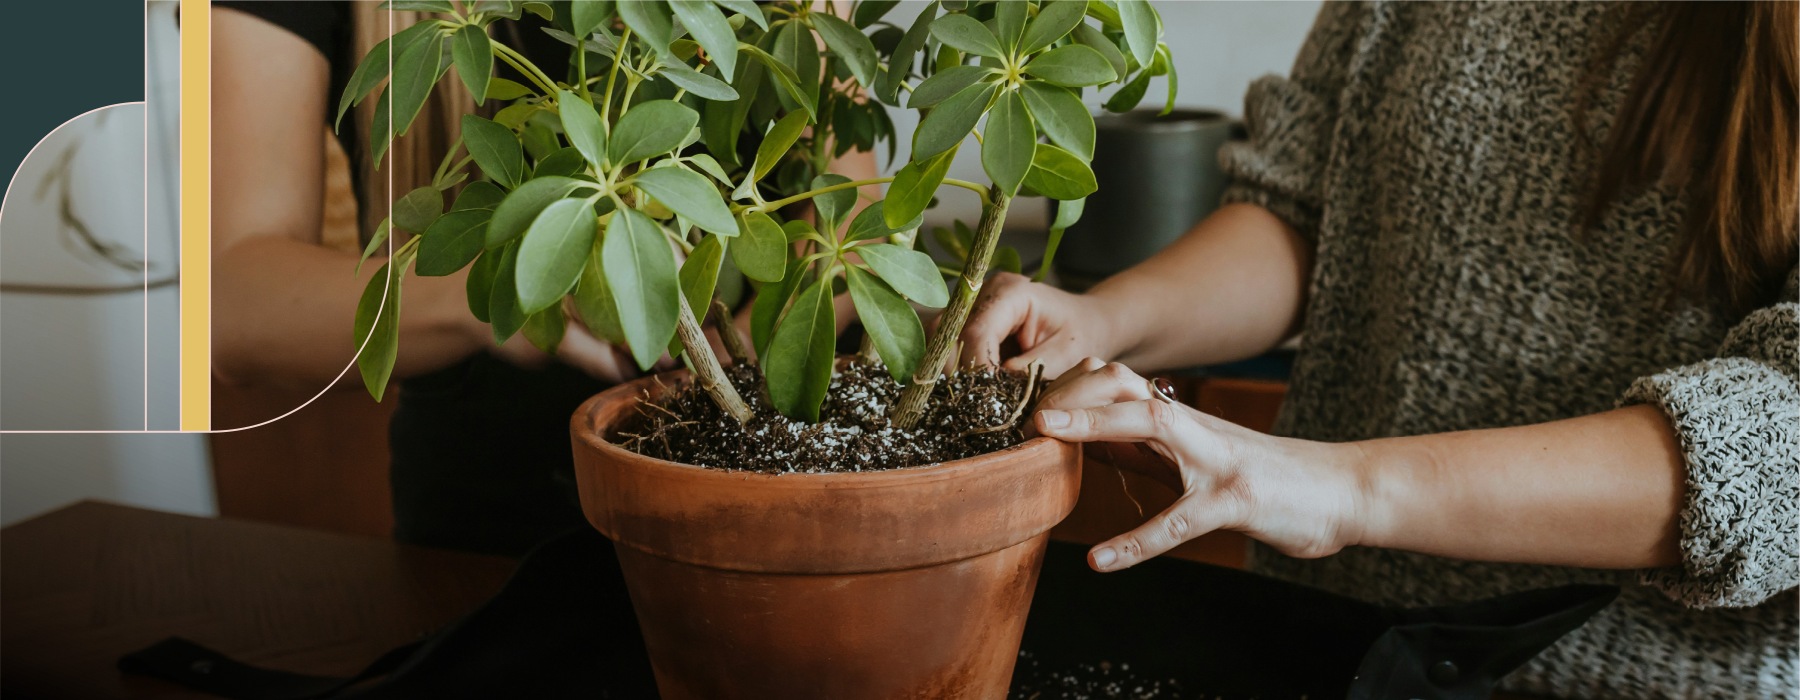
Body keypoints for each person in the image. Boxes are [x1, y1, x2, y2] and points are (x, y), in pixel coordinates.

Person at [961, 2, 1796, 696]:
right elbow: (1307, 212)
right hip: (1341, 646)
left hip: (1634, 675)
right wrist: (1102, 318)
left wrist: (1344, 488)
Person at [209, 3, 876, 555]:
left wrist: (787, 327)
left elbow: (853, 200)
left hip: (806, 482)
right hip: (501, 536)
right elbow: (234, 306)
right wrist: (503, 291)